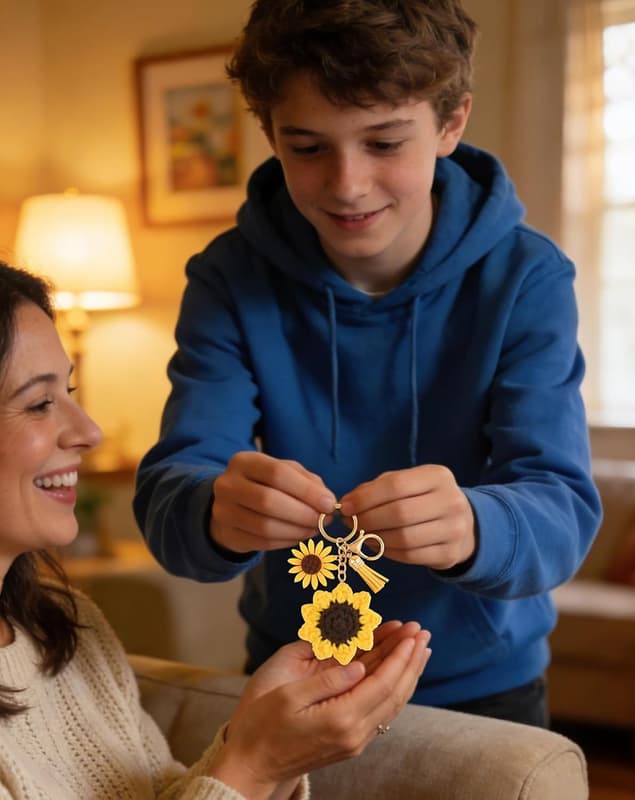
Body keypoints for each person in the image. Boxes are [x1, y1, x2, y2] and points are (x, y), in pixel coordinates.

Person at [133, 0, 602, 728]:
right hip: (295, 673)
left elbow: (562, 511)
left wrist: (475, 525)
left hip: (486, 691)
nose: (347, 184)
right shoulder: (228, 278)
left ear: (450, 123)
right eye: (307, 147)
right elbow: (171, 496)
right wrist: (214, 512)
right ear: (270, 135)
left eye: (384, 142)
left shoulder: (527, 278)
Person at [0, 260, 431, 799]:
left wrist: (256, 743)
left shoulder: (68, 625)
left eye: (68, 391)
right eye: (40, 403)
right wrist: (255, 762)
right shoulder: (232, 284)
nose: (90, 430)